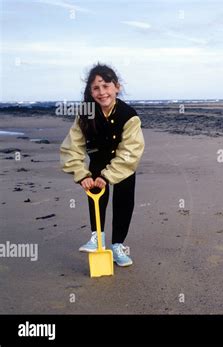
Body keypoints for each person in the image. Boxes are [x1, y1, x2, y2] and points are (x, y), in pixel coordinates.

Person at [60, 63, 145, 267]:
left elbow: (131, 150)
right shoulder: (85, 114)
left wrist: (109, 175)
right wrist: (81, 174)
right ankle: (97, 236)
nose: (102, 92)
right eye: (96, 88)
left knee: (124, 202)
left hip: (124, 165)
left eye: (106, 86)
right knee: (95, 193)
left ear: (117, 87)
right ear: (90, 91)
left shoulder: (128, 115)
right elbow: (72, 146)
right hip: (98, 162)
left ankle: (117, 245)